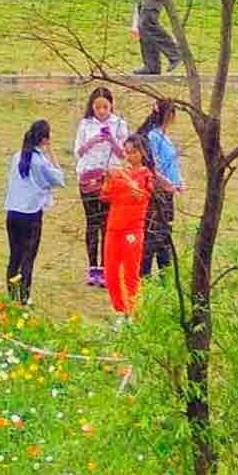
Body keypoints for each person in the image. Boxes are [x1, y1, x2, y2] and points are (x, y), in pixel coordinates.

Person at [2, 118, 64, 305]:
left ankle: (12, 294)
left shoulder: (16, 157)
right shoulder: (40, 162)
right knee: (28, 257)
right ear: (44, 139)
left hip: (12, 211)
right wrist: (51, 152)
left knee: (15, 254)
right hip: (30, 214)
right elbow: (59, 179)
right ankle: (24, 297)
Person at [72, 86, 126, 287]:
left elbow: (124, 154)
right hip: (89, 175)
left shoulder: (119, 124)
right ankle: (92, 267)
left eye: (105, 107)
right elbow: (78, 151)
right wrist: (93, 140)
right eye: (98, 107)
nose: (102, 111)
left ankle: (106, 267)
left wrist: (111, 139)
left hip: (110, 176)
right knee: (92, 222)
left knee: (107, 223)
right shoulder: (85, 124)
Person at [100, 134, 155, 316]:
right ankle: (120, 310)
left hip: (132, 229)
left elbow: (142, 195)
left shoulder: (146, 174)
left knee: (130, 272)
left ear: (143, 153)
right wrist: (109, 178)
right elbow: (106, 196)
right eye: (127, 152)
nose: (129, 156)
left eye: (134, 152)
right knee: (110, 273)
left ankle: (132, 311)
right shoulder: (120, 173)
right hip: (113, 227)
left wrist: (128, 179)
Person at [136, 102, 184, 278]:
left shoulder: (165, 136)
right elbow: (152, 165)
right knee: (153, 234)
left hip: (168, 190)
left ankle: (166, 274)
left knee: (165, 235)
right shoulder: (153, 136)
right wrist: (165, 183)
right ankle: (145, 274)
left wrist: (178, 182)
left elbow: (171, 164)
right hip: (158, 190)